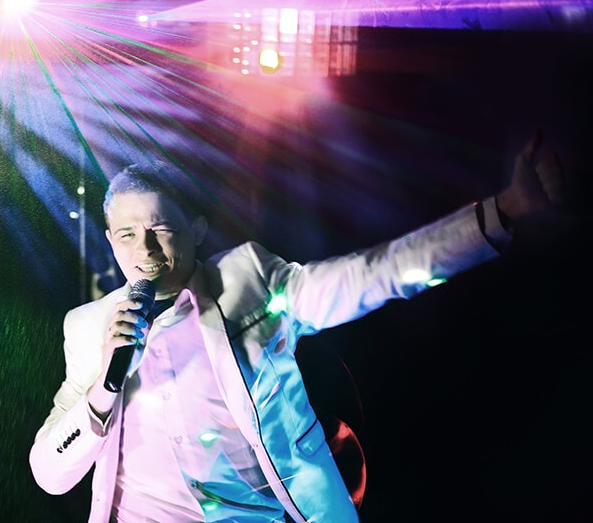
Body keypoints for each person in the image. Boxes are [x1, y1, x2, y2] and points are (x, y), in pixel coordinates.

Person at [29, 131, 563, 523]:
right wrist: (103, 390)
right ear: (109, 239)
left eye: (160, 228)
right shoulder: (89, 328)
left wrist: (505, 210)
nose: (144, 248)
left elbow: (374, 273)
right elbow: (50, 475)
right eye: (126, 234)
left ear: (196, 230)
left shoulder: (249, 281)